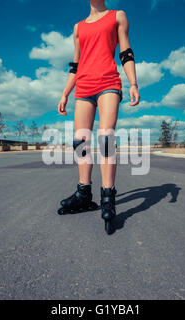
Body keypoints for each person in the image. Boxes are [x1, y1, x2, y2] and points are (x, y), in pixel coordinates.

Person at [57, 0, 140, 234]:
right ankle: (84, 193)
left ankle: (107, 197)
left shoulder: (117, 16)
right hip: (83, 86)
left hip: (108, 83)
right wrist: (64, 93)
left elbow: (126, 52)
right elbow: (75, 65)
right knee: (80, 141)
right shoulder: (78, 27)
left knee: (105, 138)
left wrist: (133, 83)